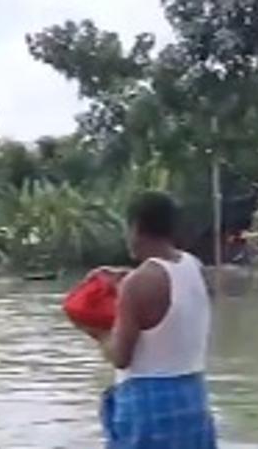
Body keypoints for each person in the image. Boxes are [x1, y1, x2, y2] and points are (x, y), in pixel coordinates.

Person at [75, 191, 217, 448]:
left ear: (136, 228)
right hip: (193, 400)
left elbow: (121, 357)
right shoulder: (195, 266)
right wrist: (125, 276)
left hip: (148, 406)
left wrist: (93, 330)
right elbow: (173, 293)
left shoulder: (138, 284)